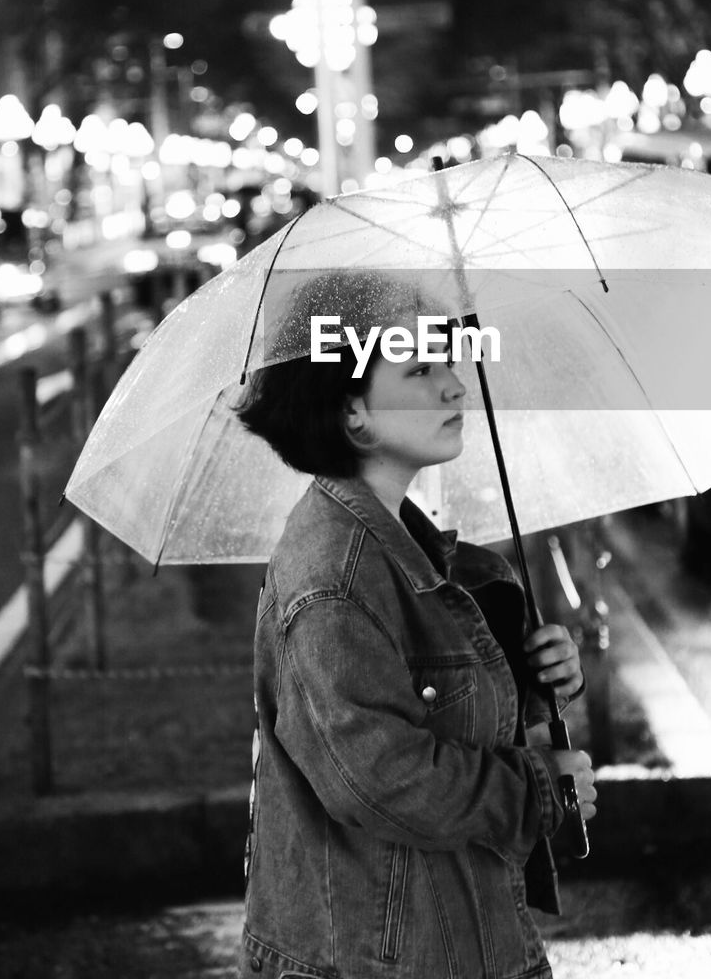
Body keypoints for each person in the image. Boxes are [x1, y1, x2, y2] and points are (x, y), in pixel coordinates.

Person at [234, 275, 595, 979]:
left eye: (450, 363)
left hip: (457, 935)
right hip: (388, 957)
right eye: (420, 370)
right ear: (352, 412)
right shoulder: (332, 581)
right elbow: (381, 778)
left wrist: (537, 678)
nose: (456, 388)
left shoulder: (408, 545)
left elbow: (449, 713)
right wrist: (538, 792)